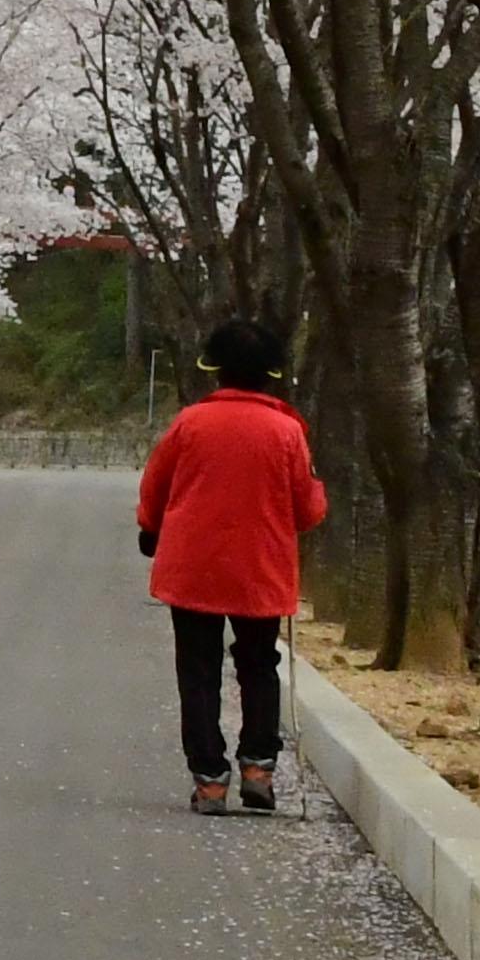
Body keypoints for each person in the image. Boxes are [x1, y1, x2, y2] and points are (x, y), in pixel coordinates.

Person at [135, 314, 327, 815]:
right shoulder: (287, 431)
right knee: (259, 666)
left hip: (193, 567)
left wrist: (151, 527)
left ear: (215, 370)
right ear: (271, 374)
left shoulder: (189, 423)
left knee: (197, 670)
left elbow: (155, 488)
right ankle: (259, 766)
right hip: (260, 569)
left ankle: (210, 780)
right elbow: (308, 510)